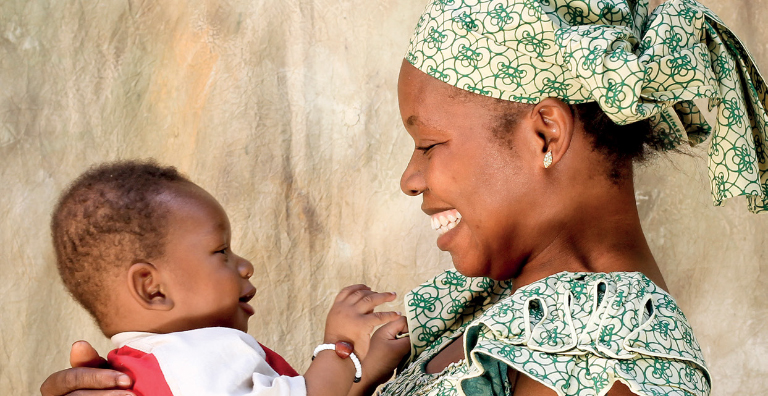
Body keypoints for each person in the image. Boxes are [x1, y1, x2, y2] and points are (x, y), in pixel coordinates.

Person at [41, 0, 768, 395]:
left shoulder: (621, 358)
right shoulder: (480, 309)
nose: (410, 179)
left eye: (427, 143)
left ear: (545, 133)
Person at [46, 160, 411, 396]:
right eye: (221, 252)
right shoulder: (199, 354)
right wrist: (339, 345)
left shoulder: (141, 370)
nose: (245, 265)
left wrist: (368, 372)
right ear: (152, 288)